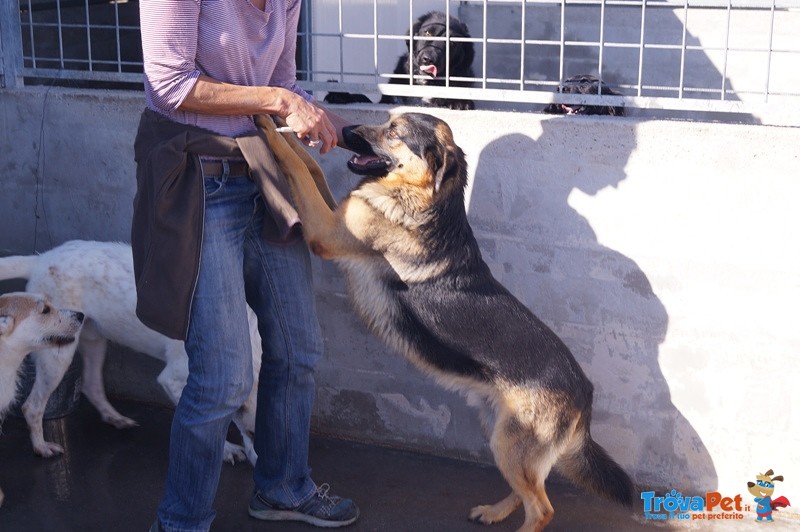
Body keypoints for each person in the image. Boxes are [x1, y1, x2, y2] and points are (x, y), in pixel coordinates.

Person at [134, 1, 359, 530]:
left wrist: (358, 133)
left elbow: (285, 88)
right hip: (197, 181)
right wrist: (281, 100)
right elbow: (169, 84)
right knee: (223, 377)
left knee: (298, 347)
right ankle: (180, 521)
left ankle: (283, 487)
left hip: (261, 176)